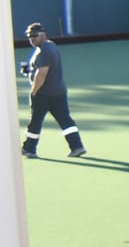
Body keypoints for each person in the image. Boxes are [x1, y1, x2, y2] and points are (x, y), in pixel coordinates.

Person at [19, 22, 85, 158]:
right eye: (30, 36)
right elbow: (41, 70)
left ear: (43, 34)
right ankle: (77, 146)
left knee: (35, 122)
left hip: (44, 94)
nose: (32, 38)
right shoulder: (50, 47)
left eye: (35, 35)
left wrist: (34, 92)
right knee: (65, 120)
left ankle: (29, 148)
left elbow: (42, 74)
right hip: (59, 92)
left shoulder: (45, 51)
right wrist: (29, 71)